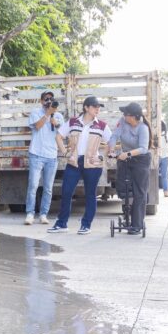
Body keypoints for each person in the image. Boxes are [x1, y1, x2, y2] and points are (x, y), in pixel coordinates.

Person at [48, 96, 112, 235]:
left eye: (99, 107)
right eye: (95, 106)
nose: (97, 109)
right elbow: (58, 136)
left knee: (90, 194)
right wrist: (65, 153)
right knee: (66, 192)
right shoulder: (72, 122)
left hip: (93, 164)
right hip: (74, 162)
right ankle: (61, 224)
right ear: (86, 108)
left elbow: (111, 142)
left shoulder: (102, 125)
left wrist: (101, 156)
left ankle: (86, 225)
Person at [108, 102, 151, 235]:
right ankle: (127, 214)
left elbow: (143, 148)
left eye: (126, 113)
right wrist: (111, 149)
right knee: (122, 187)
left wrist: (126, 154)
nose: (123, 115)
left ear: (133, 116)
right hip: (125, 158)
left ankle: (136, 224)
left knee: (140, 192)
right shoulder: (123, 122)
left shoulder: (143, 128)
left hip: (140, 160)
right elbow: (115, 136)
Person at [24, 91, 64, 225]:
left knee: (48, 188)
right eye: (46, 99)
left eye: (51, 99)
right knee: (33, 185)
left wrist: (55, 121)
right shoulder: (36, 112)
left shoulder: (58, 115)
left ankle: (43, 214)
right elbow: (37, 127)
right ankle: (30, 214)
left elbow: (61, 133)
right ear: (41, 101)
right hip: (36, 154)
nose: (48, 101)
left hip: (52, 156)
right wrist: (47, 114)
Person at [158, 120, 168, 197]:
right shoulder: (167, 137)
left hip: (158, 157)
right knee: (164, 176)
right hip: (165, 158)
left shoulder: (157, 137)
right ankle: (165, 192)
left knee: (153, 174)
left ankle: (152, 192)